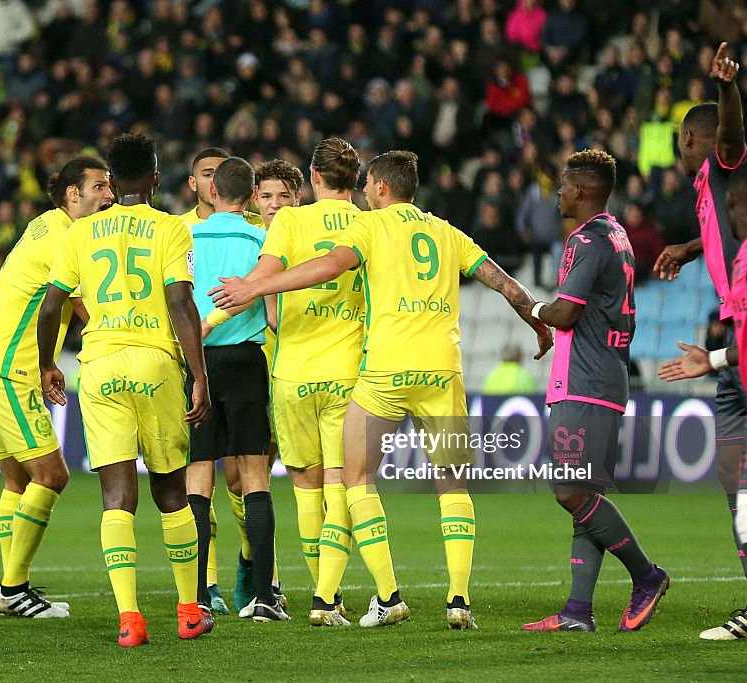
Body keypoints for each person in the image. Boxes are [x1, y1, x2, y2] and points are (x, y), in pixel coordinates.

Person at [210, 150, 552, 628]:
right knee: (453, 485)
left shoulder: (370, 228)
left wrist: (254, 289)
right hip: (442, 374)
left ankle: (367, 597)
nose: (364, 190)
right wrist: (536, 317)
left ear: (382, 188)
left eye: (369, 183)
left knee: (356, 481)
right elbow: (503, 283)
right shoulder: (448, 232)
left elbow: (329, 266)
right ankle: (458, 600)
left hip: (384, 375)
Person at [37, 132, 213, 646]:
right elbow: (182, 303)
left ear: (110, 181)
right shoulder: (171, 231)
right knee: (172, 491)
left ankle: (130, 620)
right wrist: (199, 375)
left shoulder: (80, 233)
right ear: (156, 178)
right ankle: (187, 610)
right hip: (155, 364)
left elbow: (52, 306)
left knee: (117, 497)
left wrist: (49, 363)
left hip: (99, 367)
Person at [652, 43, 747, 641]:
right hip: (732, 345)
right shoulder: (711, 197)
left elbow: (731, 136)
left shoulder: (721, 164)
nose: (680, 152)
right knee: (737, 481)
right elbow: (727, 232)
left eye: (683, 141)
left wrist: (727, 89)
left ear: (697, 143)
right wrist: (688, 245)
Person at [0, 156, 114, 617]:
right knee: (52, 475)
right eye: (100, 187)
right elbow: (85, 304)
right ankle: (13, 588)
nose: (108, 196)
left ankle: (14, 582)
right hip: (8, 370)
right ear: (74, 194)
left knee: (17, 479)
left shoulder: (45, 226)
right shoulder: (68, 236)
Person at [523, 149, 669, 633]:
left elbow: (566, 312)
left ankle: (647, 576)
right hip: (603, 376)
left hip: (585, 381)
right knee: (582, 495)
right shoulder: (617, 235)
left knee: (569, 491)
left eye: (563, 185)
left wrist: (533, 309)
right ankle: (577, 612)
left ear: (582, 190)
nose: (558, 192)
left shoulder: (585, 240)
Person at [223, 139, 362, 625]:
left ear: (309, 183)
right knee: (336, 484)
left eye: (284, 195)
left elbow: (268, 300)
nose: (275, 205)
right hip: (340, 369)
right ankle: (319, 592)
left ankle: (299, 588)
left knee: (300, 484)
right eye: (267, 196)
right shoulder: (368, 223)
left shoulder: (285, 228)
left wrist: (250, 294)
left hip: (287, 371)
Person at [187, 156, 285, 621]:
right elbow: (271, 313)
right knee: (254, 476)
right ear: (249, 197)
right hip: (247, 360)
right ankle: (265, 596)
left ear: (211, 191)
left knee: (199, 474)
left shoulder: (184, 238)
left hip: (198, 363)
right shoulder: (263, 240)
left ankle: (199, 595)